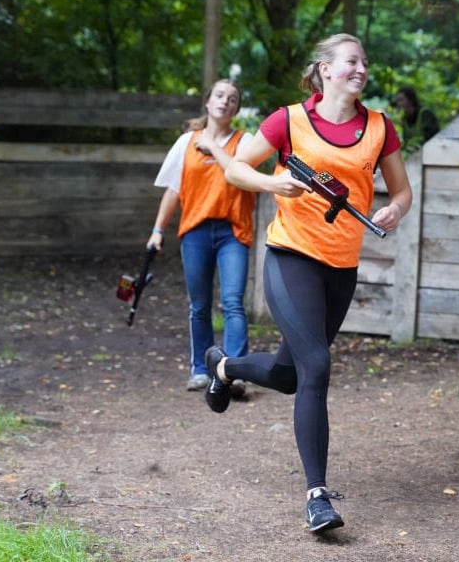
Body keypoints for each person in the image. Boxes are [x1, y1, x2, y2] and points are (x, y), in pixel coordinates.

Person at [207, 33, 413, 534]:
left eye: (365, 61)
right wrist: (272, 183)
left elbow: (402, 191)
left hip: (341, 267)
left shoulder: (380, 128)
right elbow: (236, 168)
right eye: (351, 61)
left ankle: (226, 365)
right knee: (317, 364)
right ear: (325, 70)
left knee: (293, 375)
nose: (361, 68)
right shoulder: (289, 121)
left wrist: (394, 209)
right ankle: (317, 497)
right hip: (290, 255)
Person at [147, 79, 255, 394]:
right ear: (207, 102)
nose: (225, 101)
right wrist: (157, 230)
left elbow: (243, 175)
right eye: (219, 96)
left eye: (232, 98)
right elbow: (173, 189)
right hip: (194, 231)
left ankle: (233, 373)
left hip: (232, 232)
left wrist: (215, 148)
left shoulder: (245, 142)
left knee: (233, 302)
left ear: (236, 109)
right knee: (199, 305)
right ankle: (200, 369)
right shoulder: (186, 142)